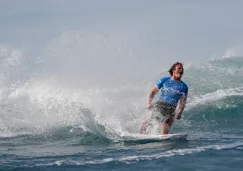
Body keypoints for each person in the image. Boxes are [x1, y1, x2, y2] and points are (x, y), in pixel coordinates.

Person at [139, 62, 188, 135]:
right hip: (160, 105)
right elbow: (152, 93)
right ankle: (140, 135)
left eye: (182, 69)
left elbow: (183, 102)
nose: (181, 70)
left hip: (171, 109)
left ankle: (163, 141)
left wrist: (180, 112)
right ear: (173, 70)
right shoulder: (164, 80)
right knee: (147, 121)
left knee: (164, 131)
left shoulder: (184, 86)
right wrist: (149, 103)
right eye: (179, 68)